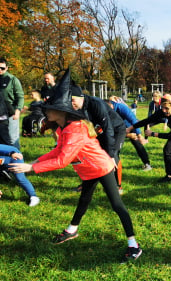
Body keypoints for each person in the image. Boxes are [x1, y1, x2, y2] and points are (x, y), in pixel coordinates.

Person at [9, 69, 142, 262]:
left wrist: (31, 168)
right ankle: (72, 229)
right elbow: (57, 151)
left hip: (101, 168)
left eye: (49, 109)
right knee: (84, 200)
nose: (46, 111)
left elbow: (62, 160)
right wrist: (35, 161)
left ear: (60, 112)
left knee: (116, 204)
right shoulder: (65, 128)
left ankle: (134, 245)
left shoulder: (75, 130)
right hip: (88, 170)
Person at [70, 84, 123, 193]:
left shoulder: (96, 104)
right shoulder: (76, 107)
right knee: (92, 157)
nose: (71, 104)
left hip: (115, 129)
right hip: (97, 131)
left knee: (113, 154)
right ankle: (87, 185)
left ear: (81, 97)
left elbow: (108, 129)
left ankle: (117, 186)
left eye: (73, 100)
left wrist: (111, 155)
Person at [108, 96, 152, 171]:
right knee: (115, 147)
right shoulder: (106, 111)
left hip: (130, 127)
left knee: (137, 144)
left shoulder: (122, 107)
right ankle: (113, 165)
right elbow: (109, 128)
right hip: (117, 129)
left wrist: (139, 135)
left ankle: (147, 164)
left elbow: (133, 121)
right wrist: (127, 135)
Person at [0, 57, 24, 149]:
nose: (0, 70)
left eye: (2, 68)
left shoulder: (13, 79)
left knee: (12, 138)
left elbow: (20, 97)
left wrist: (18, 111)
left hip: (10, 113)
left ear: (6, 68)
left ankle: (16, 160)